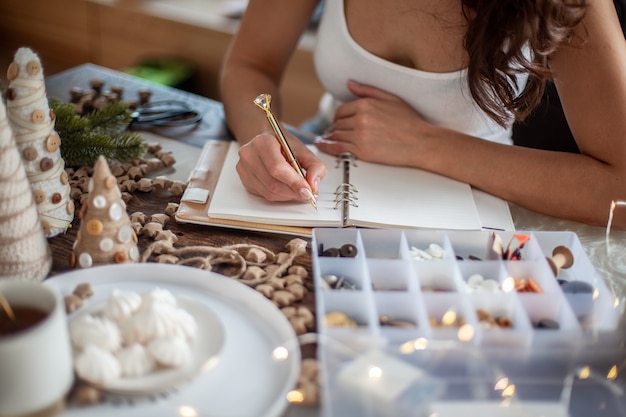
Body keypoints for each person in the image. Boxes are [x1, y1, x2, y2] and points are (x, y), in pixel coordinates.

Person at [220, 0, 626, 229]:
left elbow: (620, 189)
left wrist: (427, 145)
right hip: (321, 170)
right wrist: (265, 137)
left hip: (478, 205)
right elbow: (250, 65)